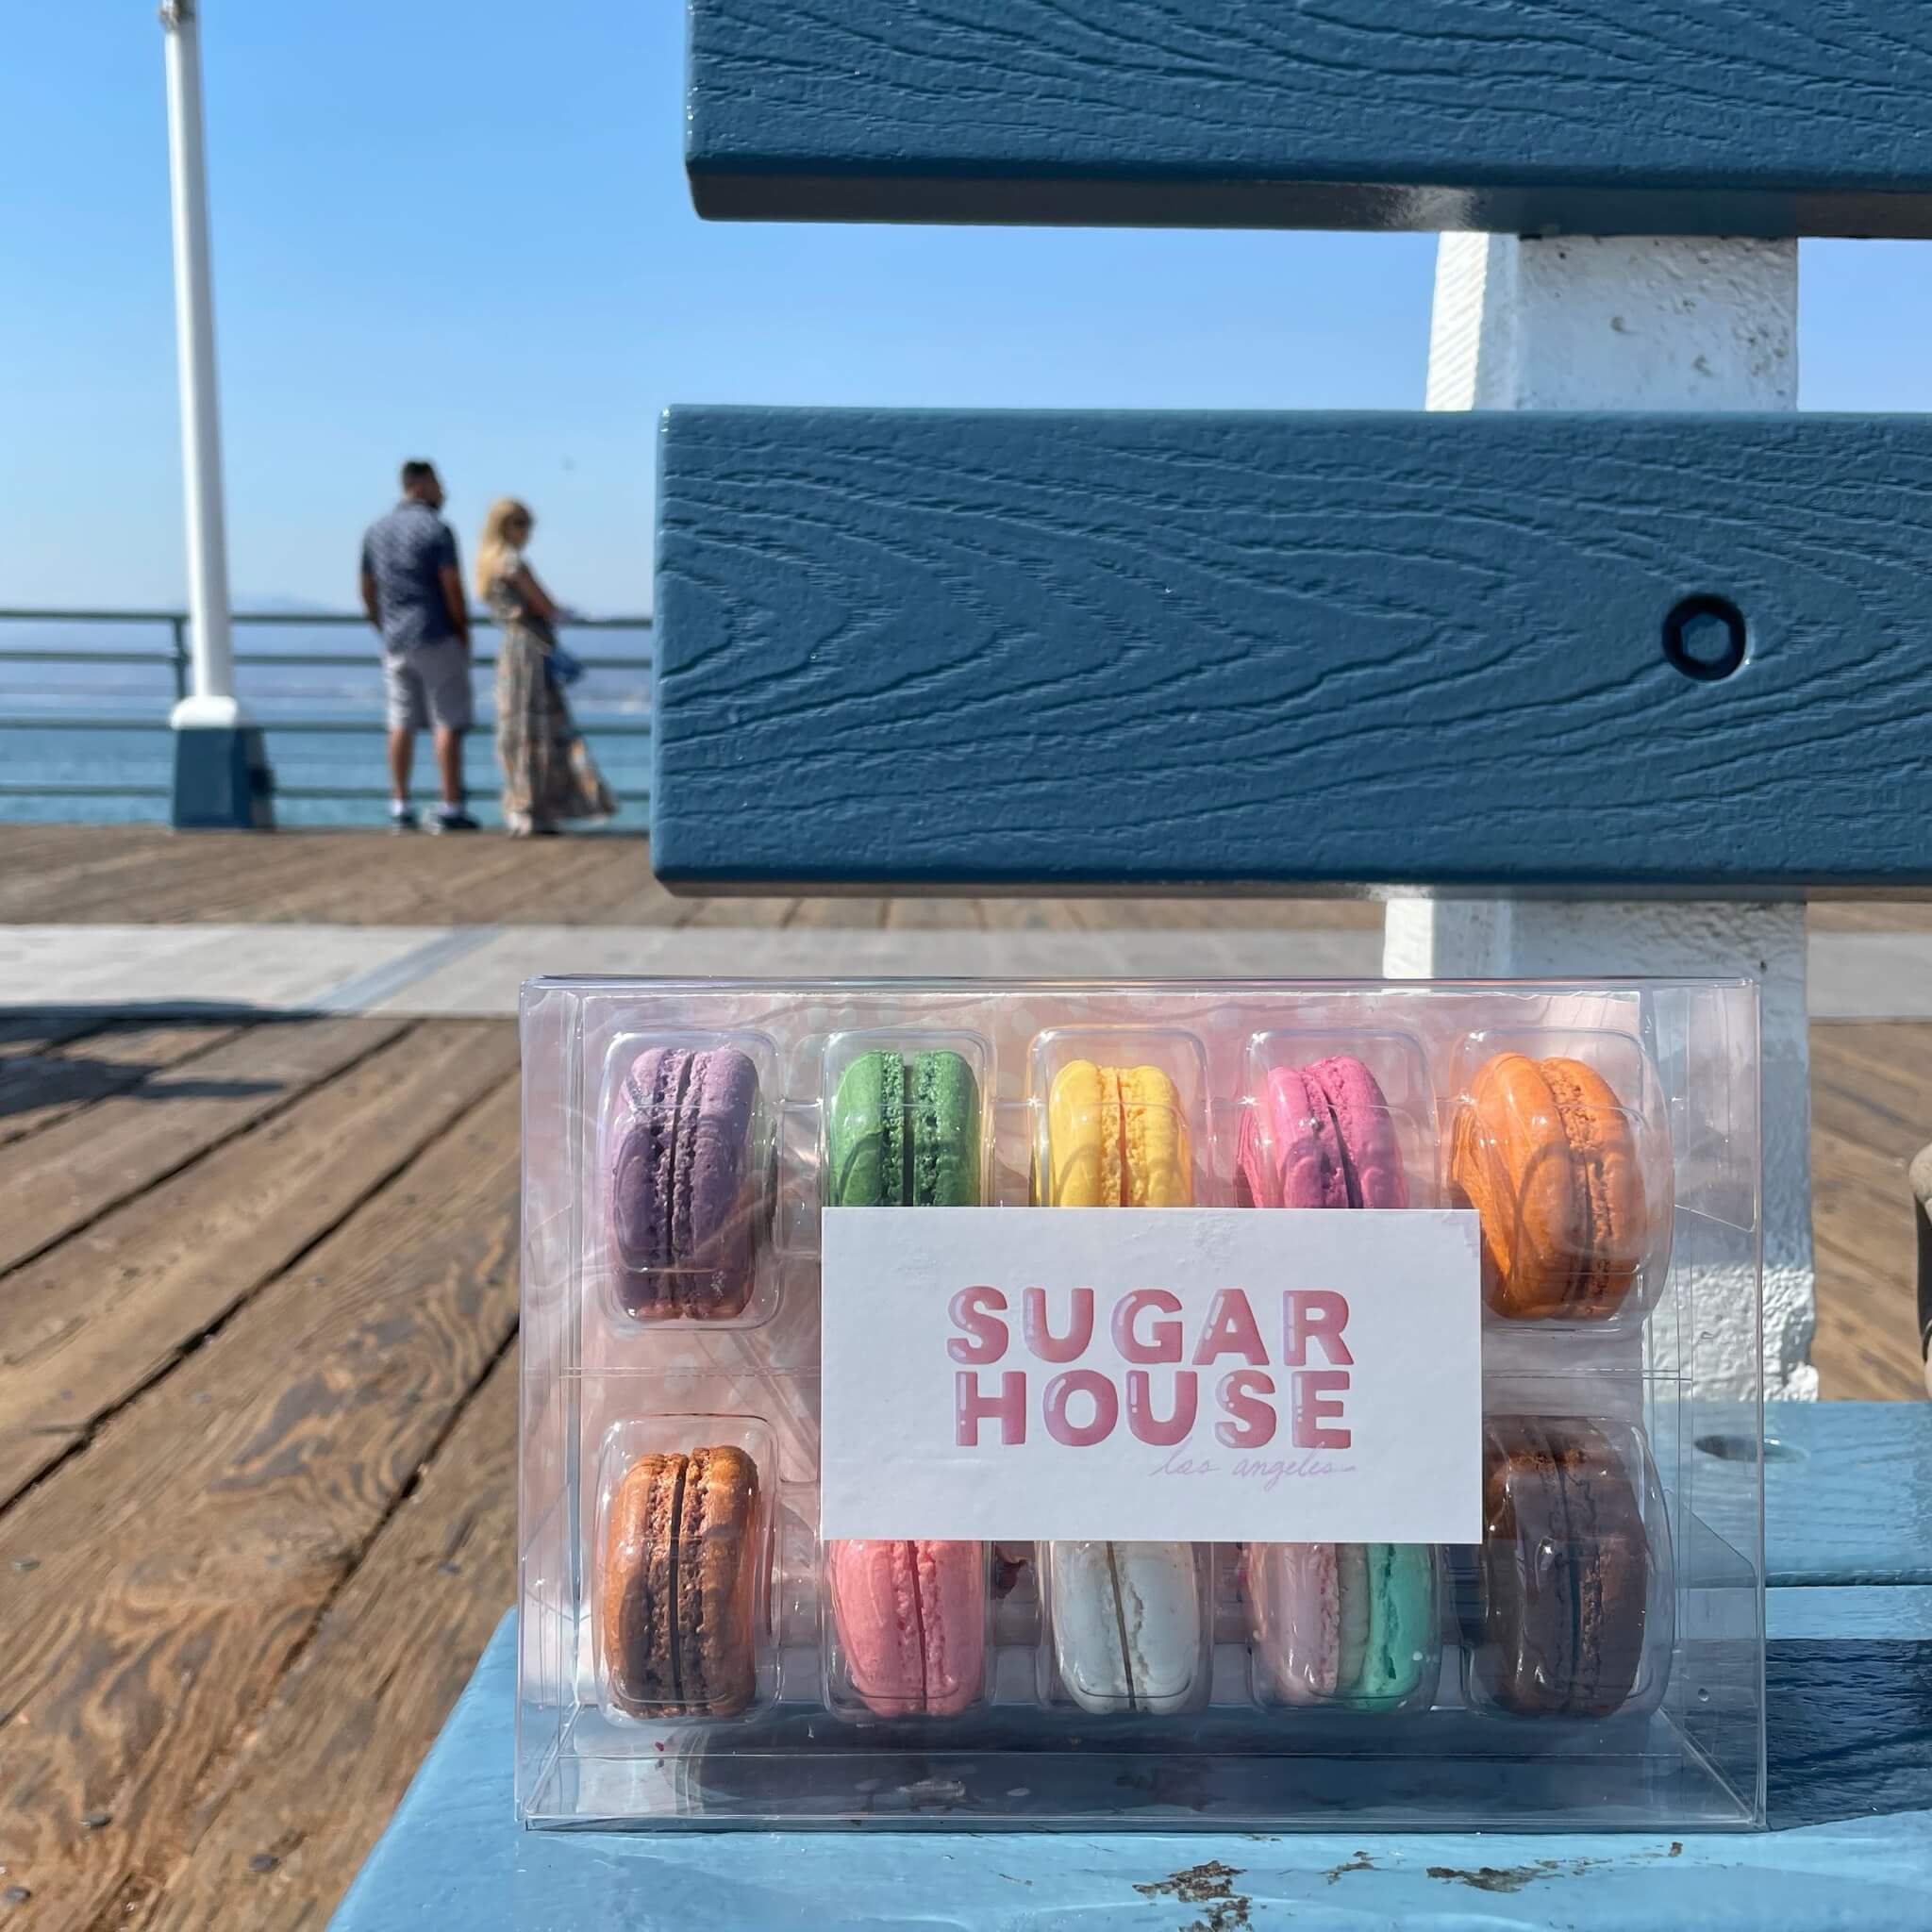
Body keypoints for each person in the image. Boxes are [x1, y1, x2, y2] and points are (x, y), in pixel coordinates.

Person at [475, 497, 615, 835]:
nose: (527, 532)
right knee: (542, 730)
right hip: (533, 651)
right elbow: (546, 606)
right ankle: (540, 807)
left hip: (511, 651)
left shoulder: (485, 564)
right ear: (504, 526)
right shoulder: (512, 563)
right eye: (521, 523)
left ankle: (520, 807)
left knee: (516, 730)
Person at [359, 459, 478, 831]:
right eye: (439, 484)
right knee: (447, 720)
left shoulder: (376, 531)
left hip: (395, 638)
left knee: (401, 721)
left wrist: (383, 625)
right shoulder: (437, 529)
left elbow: (366, 587)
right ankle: (450, 806)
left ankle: (400, 804)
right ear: (422, 485)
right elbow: (451, 585)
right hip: (436, 633)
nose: (443, 492)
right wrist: (462, 629)